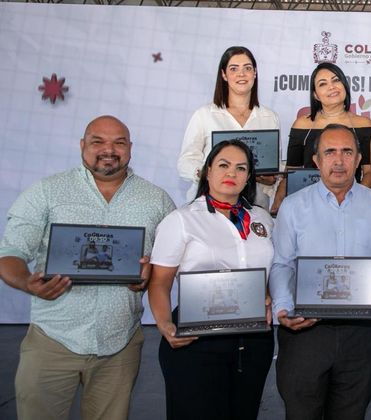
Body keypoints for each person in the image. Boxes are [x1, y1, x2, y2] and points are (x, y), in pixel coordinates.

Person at [0, 115, 175, 420]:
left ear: (131, 148)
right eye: (98, 141)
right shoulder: (46, 192)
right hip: (53, 341)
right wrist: (27, 281)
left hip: (120, 345)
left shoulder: (156, 200)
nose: (109, 149)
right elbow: (10, 253)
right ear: (82, 145)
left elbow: (167, 264)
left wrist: (149, 278)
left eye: (119, 142)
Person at [269, 124, 371, 420]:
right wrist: (283, 310)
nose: (338, 160)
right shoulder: (292, 206)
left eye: (346, 152)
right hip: (305, 331)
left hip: (359, 334)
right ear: (316, 160)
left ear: (358, 158)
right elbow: (282, 265)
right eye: (330, 152)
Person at [148, 140, 275, 420]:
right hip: (197, 338)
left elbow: (264, 272)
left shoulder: (262, 220)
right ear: (207, 172)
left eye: (241, 168)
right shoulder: (181, 220)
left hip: (254, 340)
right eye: (223, 165)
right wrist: (165, 323)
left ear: (249, 176)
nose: (232, 173)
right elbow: (159, 282)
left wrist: (267, 295)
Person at [177, 46, 281, 211]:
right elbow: (186, 162)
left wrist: (271, 179)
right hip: (208, 206)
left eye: (247, 68)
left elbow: (273, 166)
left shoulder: (269, 117)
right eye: (234, 69)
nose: (241, 74)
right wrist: (207, 174)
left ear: (254, 73)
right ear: (224, 75)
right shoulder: (204, 115)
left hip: (254, 207)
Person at [281, 62, 371, 194]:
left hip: (352, 198)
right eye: (323, 84)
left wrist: (356, 199)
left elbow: (369, 173)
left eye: (336, 80)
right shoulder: (302, 125)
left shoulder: (364, 124)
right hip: (309, 199)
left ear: (345, 86)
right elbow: (290, 172)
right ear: (316, 95)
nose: (331, 87)